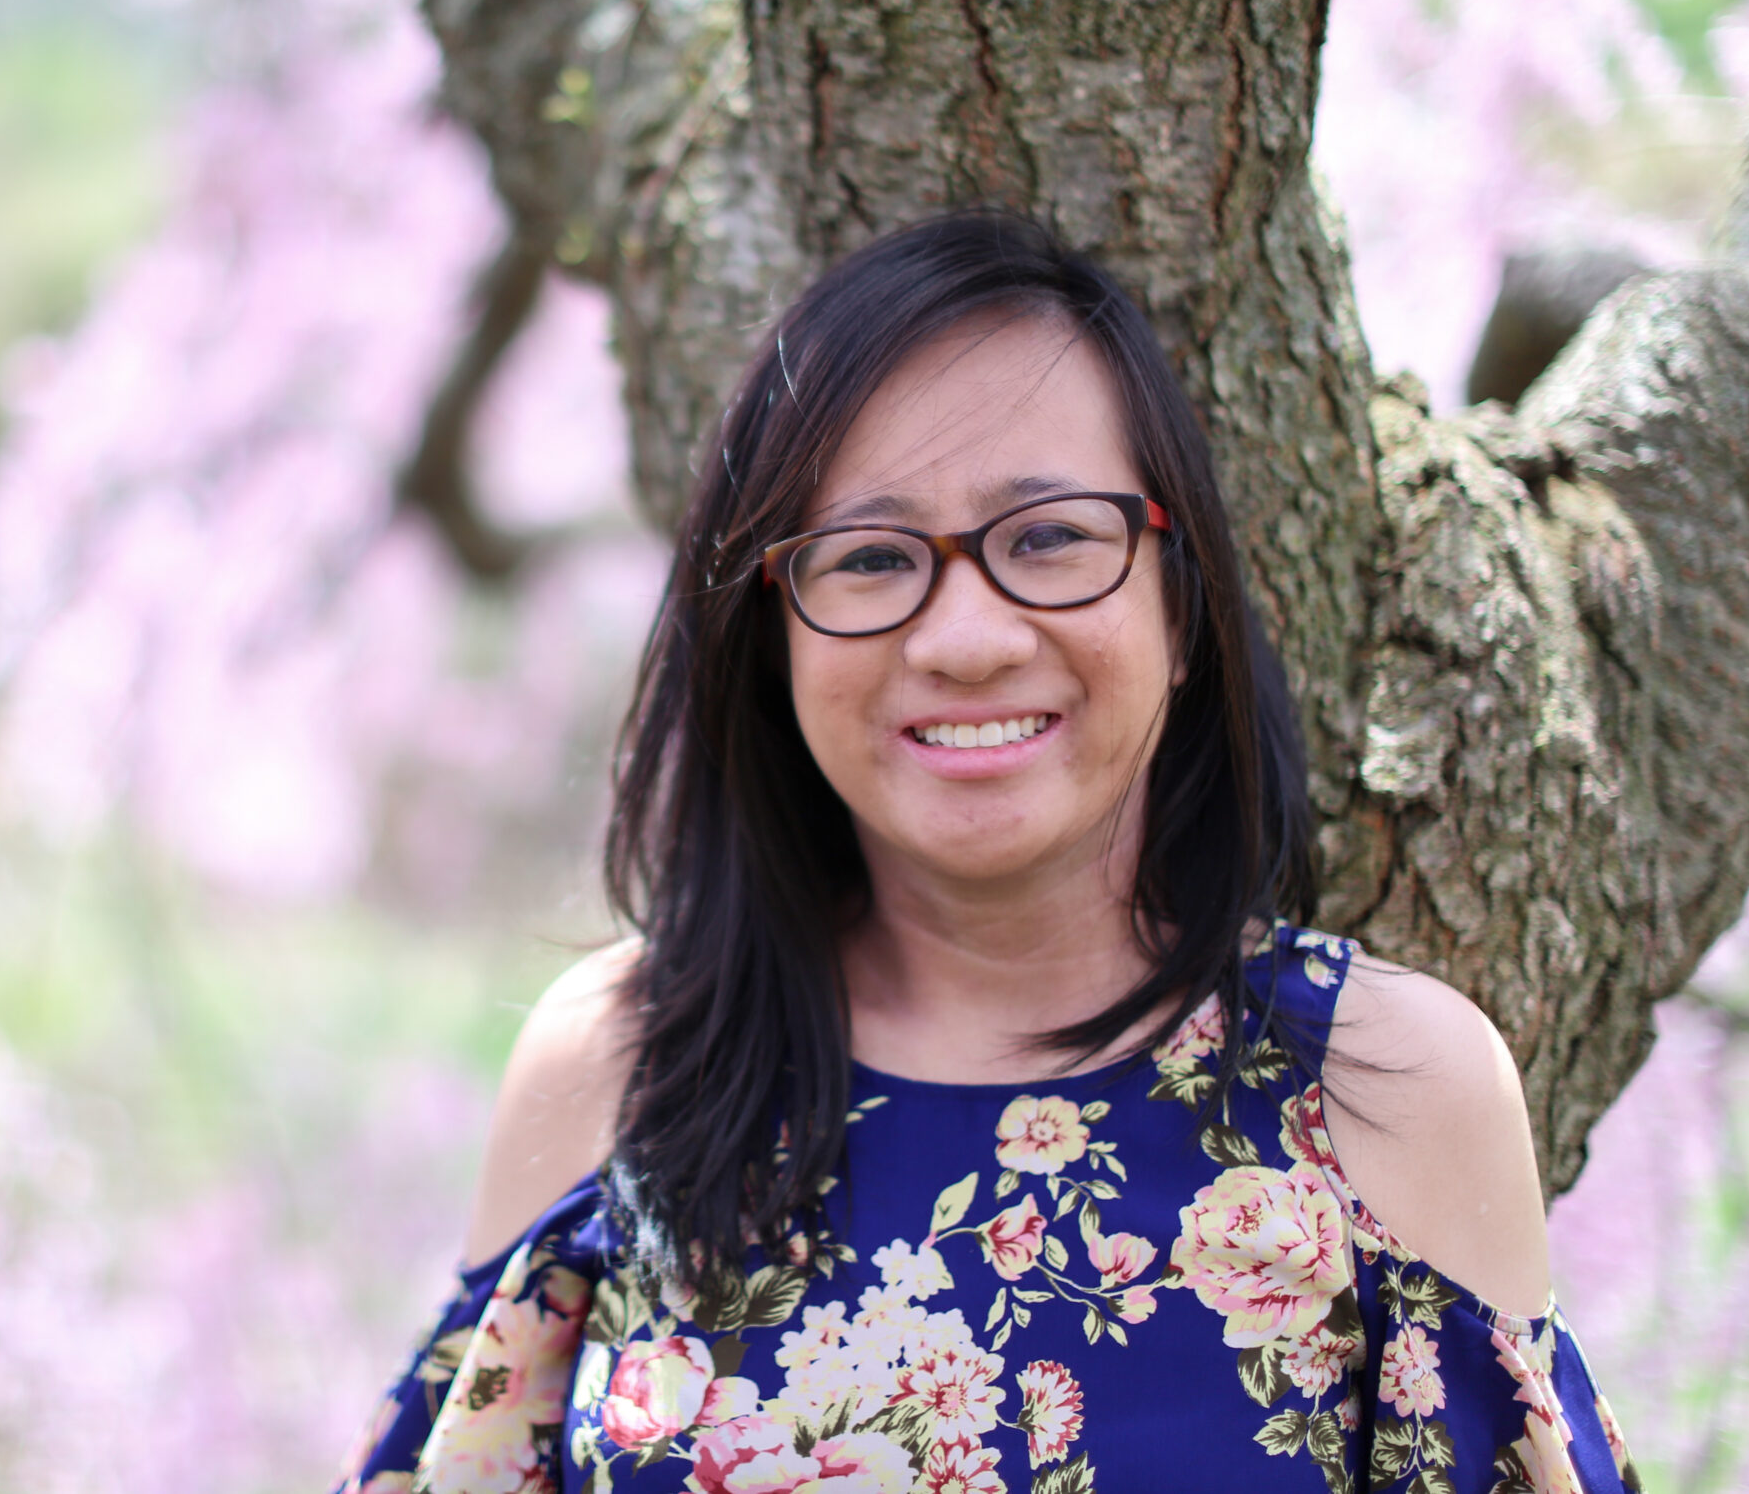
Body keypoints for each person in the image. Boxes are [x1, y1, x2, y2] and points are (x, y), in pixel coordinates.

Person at [338, 210, 1639, 1493]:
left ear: (1181, 608)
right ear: (772, 634)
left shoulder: (1384, 1088)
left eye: (1051, 538)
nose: (965, 636)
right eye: (869, 556)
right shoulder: (623, 1064)